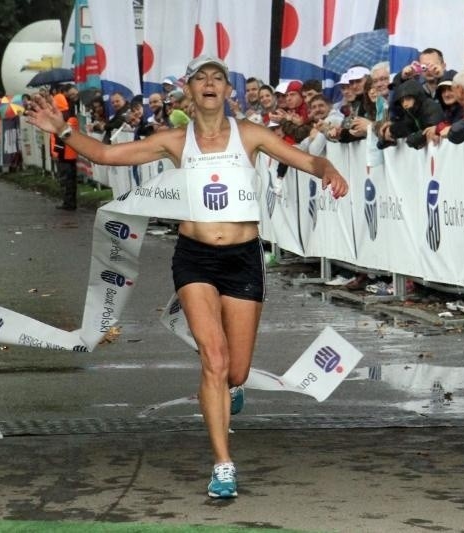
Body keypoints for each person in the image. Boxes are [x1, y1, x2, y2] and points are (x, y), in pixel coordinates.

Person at [25, 56, 348, 499]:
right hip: (195, 258)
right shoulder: (175, 141)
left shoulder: (249, 135)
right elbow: (106, 155)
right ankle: (223, 464)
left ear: (228, 91)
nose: (211, 84)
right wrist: (61, 129)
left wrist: (328, 169)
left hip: (243, 260)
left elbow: (304, 161)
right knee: (213, 361)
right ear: (190, 92)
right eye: (202, 78)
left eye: (218, 78)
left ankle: (230, 389)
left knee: (235, 370)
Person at [51, 89, 80, 210]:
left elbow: (60, 138)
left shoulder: (62, 119)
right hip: (71, 154)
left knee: (66, 179)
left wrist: (56, 152)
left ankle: (68, 203)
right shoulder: (71, 117)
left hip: (64, 154)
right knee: (71, 179)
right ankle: (70, 202)